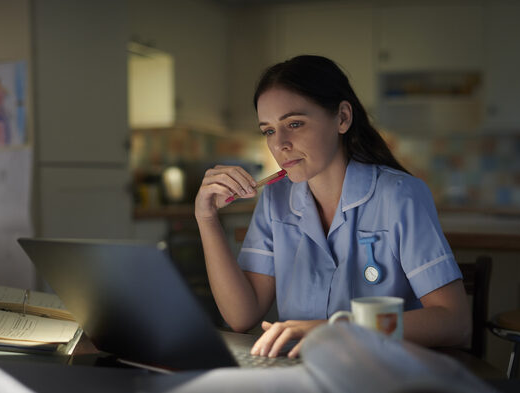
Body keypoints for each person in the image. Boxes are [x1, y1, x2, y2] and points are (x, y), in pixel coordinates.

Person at [194, 55, 470, 359]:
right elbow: (241, 317)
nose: (279, 144)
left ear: (342, 118)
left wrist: (338, 329)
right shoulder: (274, 199)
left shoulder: (400, 195)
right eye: (269, 130)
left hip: (382, 375)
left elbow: (454, 321)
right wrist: (206, 218)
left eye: (294, 123)